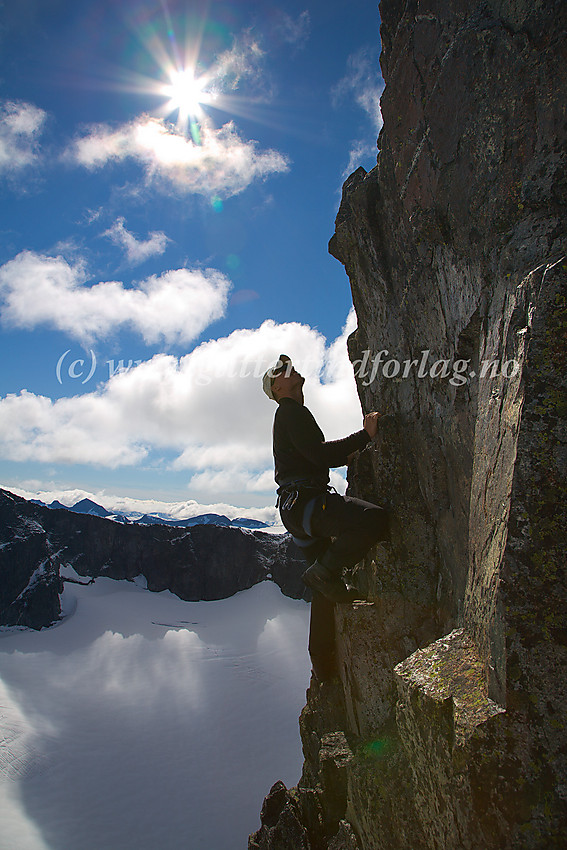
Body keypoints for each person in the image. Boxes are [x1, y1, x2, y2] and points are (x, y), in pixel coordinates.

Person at [263, 353, 390, 604]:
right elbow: (317, 454)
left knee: (326, 590)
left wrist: (345, 457)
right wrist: (364, 436)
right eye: (282, 370)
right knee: (374, 520)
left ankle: (323, 643)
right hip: (306, 503)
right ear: (277, 388)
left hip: (296, 508)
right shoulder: (290, 411)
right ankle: (324, 572)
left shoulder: (288, 414)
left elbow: (310, 456)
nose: (290, 369)